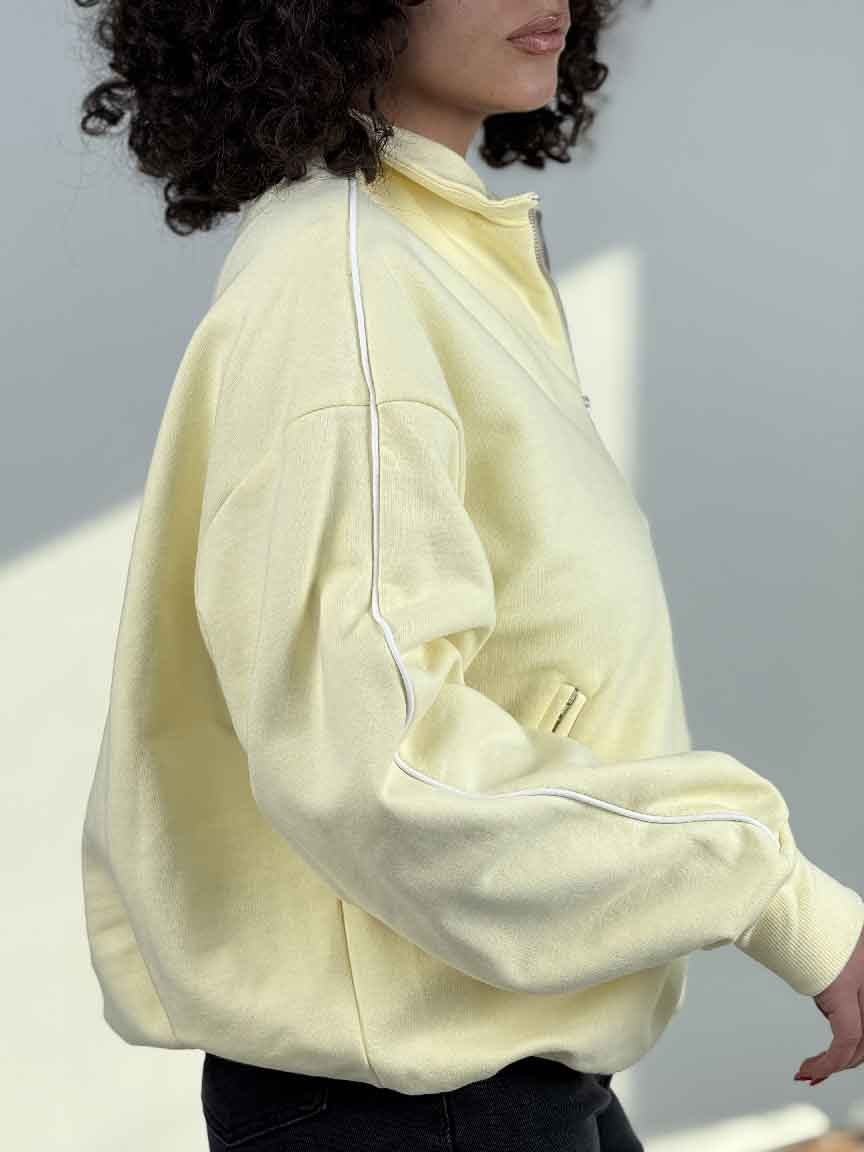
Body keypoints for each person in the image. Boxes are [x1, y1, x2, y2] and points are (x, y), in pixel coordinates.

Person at [74, 1, 864, 1148]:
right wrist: (780, 896)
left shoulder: (425, 256)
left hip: (495, 1070)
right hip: (417, 1103)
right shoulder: (345, 283)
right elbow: (378, 762)